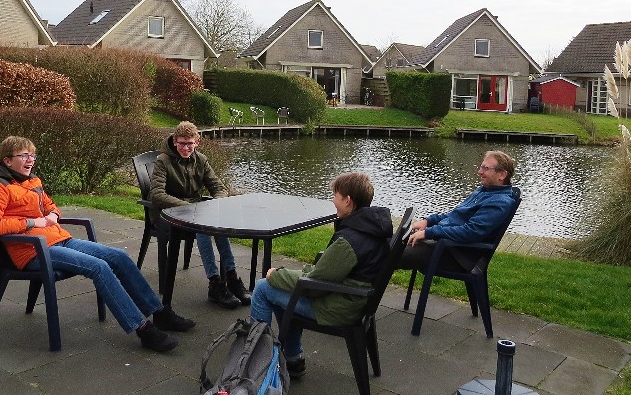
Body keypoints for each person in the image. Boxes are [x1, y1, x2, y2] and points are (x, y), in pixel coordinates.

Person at [0, 136, 194, 353]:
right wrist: (33, 222)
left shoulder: (32, 181)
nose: (30, 159)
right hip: (33, 251)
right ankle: (143, 329)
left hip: (59, 239)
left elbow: (51, 207)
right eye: (23, 155)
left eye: (32, 155)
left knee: (119, 256)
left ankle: (159, 312)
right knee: (98, 267)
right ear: (7, 161)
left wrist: (52, 214)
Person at [249, 172, 393, 379]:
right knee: (281, 290)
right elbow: (326, 273)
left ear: (347, 201)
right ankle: (293, 359)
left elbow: (314, 285)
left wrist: (276, 275)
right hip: (354, 300)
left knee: (264, 288)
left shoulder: (350, 240)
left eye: (335, 195)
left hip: (338, 306)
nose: (332, 200)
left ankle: (256, 360)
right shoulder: (373, 228)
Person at [149, 121, 250, 309]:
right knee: (203, 226)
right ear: (174, 141)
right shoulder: (163, 160)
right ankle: (214, 282)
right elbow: (157, 195)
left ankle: (232, 277)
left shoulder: (201, 160)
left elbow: (218, 187)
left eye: (189, 144)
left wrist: (216, 202)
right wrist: (188, 206)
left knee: (215, 223)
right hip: (167, 215)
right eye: (181, 143)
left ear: (197, 142)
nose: (186, 148)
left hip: (195, 211)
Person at [401, 150, 517, 273]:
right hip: (443, 245)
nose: (480, 171)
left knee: (388, 253)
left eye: (486, 168)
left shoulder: (500, 202)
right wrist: (428, 221)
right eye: (481, 166)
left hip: (456, 255)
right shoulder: (484, 191)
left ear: (502, 175)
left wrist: (429, 233)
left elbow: (470, 232)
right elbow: (455, 215)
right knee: (386, 242)